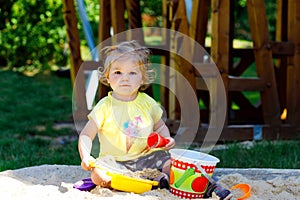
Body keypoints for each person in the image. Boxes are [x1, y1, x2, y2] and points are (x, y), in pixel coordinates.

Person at [78, 40, 175, 189]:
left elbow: (160, 125)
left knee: (167, 161)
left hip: (144, 158)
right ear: (108, 77)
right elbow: (86, 134)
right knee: (97, 174)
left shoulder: (147, 103)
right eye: (118, 72)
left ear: (142, 78)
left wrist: (166, 139)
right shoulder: (104, 106)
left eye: (132, 72)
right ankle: (117, 182)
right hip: (114, 162)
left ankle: (159, 177)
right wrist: (86, 156)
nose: (125, 77)